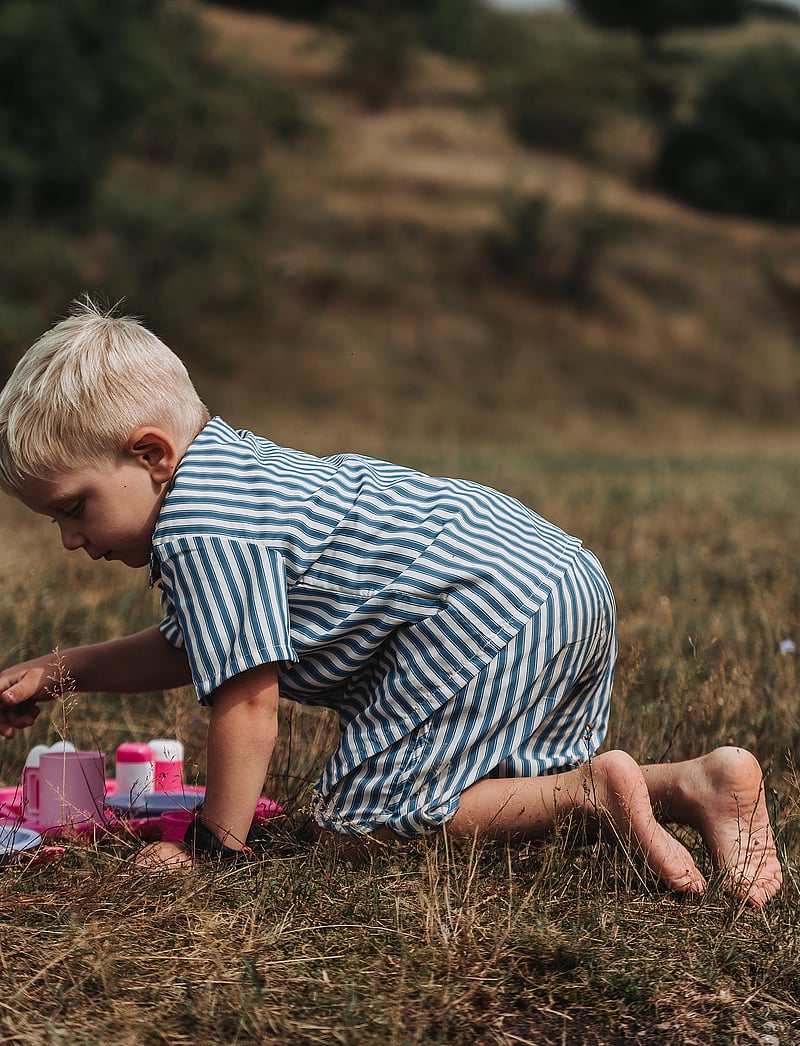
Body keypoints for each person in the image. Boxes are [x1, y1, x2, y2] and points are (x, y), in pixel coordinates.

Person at [0, 298, 782, 907]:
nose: (70, 538)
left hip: (477, 608)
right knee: (482, 800)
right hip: (553, 575)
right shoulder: (232, 481)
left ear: (149, 454)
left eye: (73, 508)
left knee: (359, 824)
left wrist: (214, 849)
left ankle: (588, 793)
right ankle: (693, 783)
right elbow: (190, 644)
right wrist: (56, 671)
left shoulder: (205, 529)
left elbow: (245, 705)